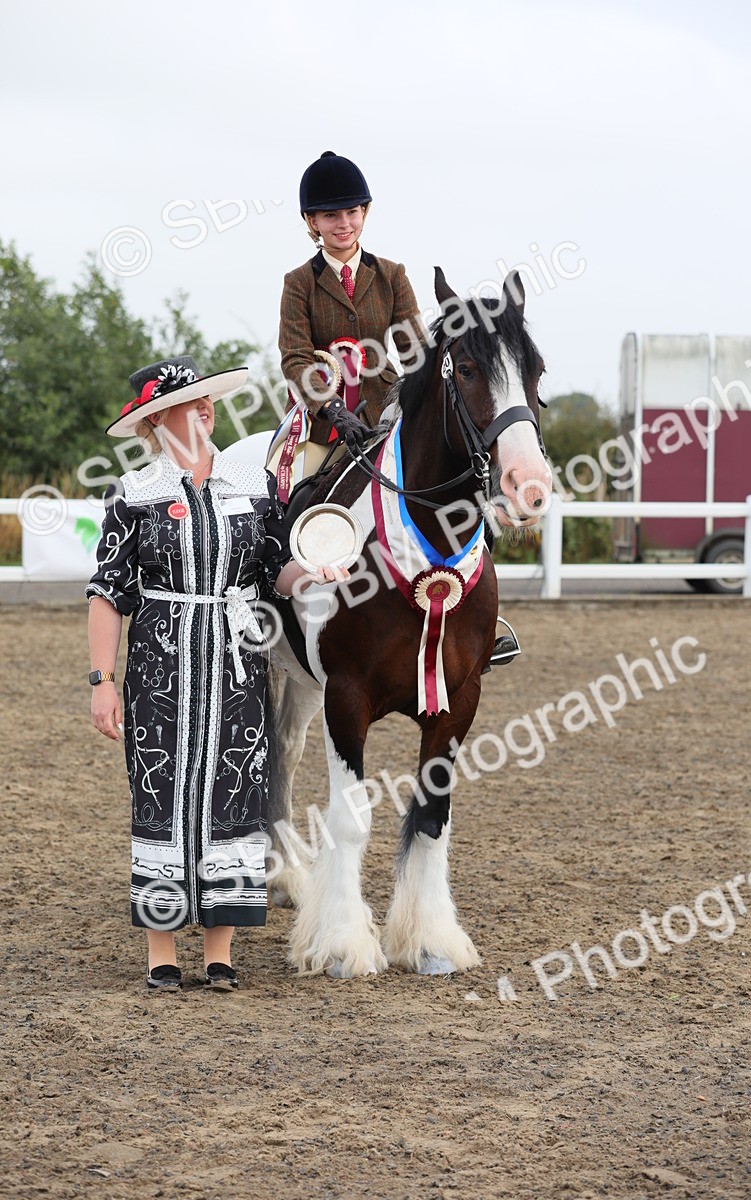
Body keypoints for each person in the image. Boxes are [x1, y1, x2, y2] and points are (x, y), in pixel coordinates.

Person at [87, 356, 346, 992]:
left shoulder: (248, 489)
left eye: (208, 402)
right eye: (191, 404)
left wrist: (311, 574)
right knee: (163, 797)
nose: (206, 411)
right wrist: (102, 680)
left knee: (233, 796)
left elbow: (271, 569)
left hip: (235, 667)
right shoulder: (134, 497)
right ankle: (162, 955)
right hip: (159, 671)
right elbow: (106, 593)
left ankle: (221, 954)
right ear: (158, 421)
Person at [274, 150, 427, 482]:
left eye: (352, 212)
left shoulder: (392, 275)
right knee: (291, 496)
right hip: (323, 426)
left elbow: (415, 352)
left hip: (386, 415)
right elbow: (295, 358)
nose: (343, 224)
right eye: (331, 215)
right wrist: (333, 408)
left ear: (364, 212)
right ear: (312, 221)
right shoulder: (299, 283)